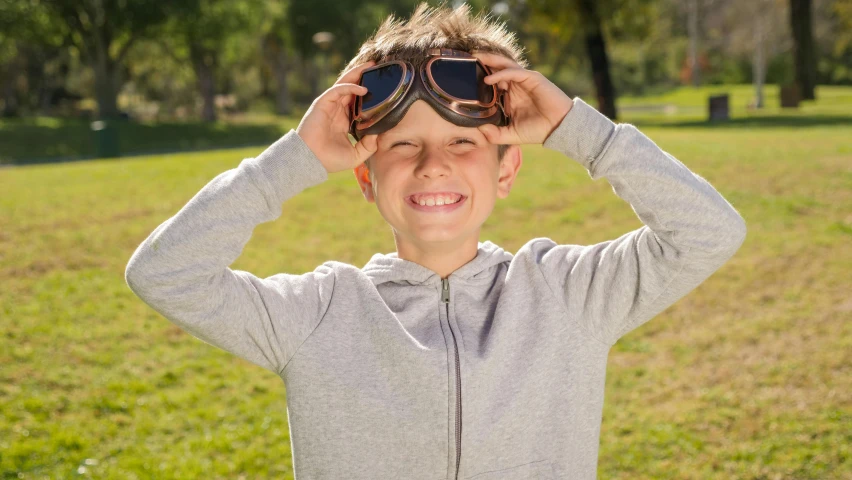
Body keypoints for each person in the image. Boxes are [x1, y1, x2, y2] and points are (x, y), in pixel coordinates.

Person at [124, 3, 746, 479]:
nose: (432, 165)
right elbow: (165, 274)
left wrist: (576, 129)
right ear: (364, 176)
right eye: (402, 145)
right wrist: (297, 158)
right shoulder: (317, 314)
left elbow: (708, 231)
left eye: (462, 142)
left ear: (506, 169)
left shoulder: (567, 295)